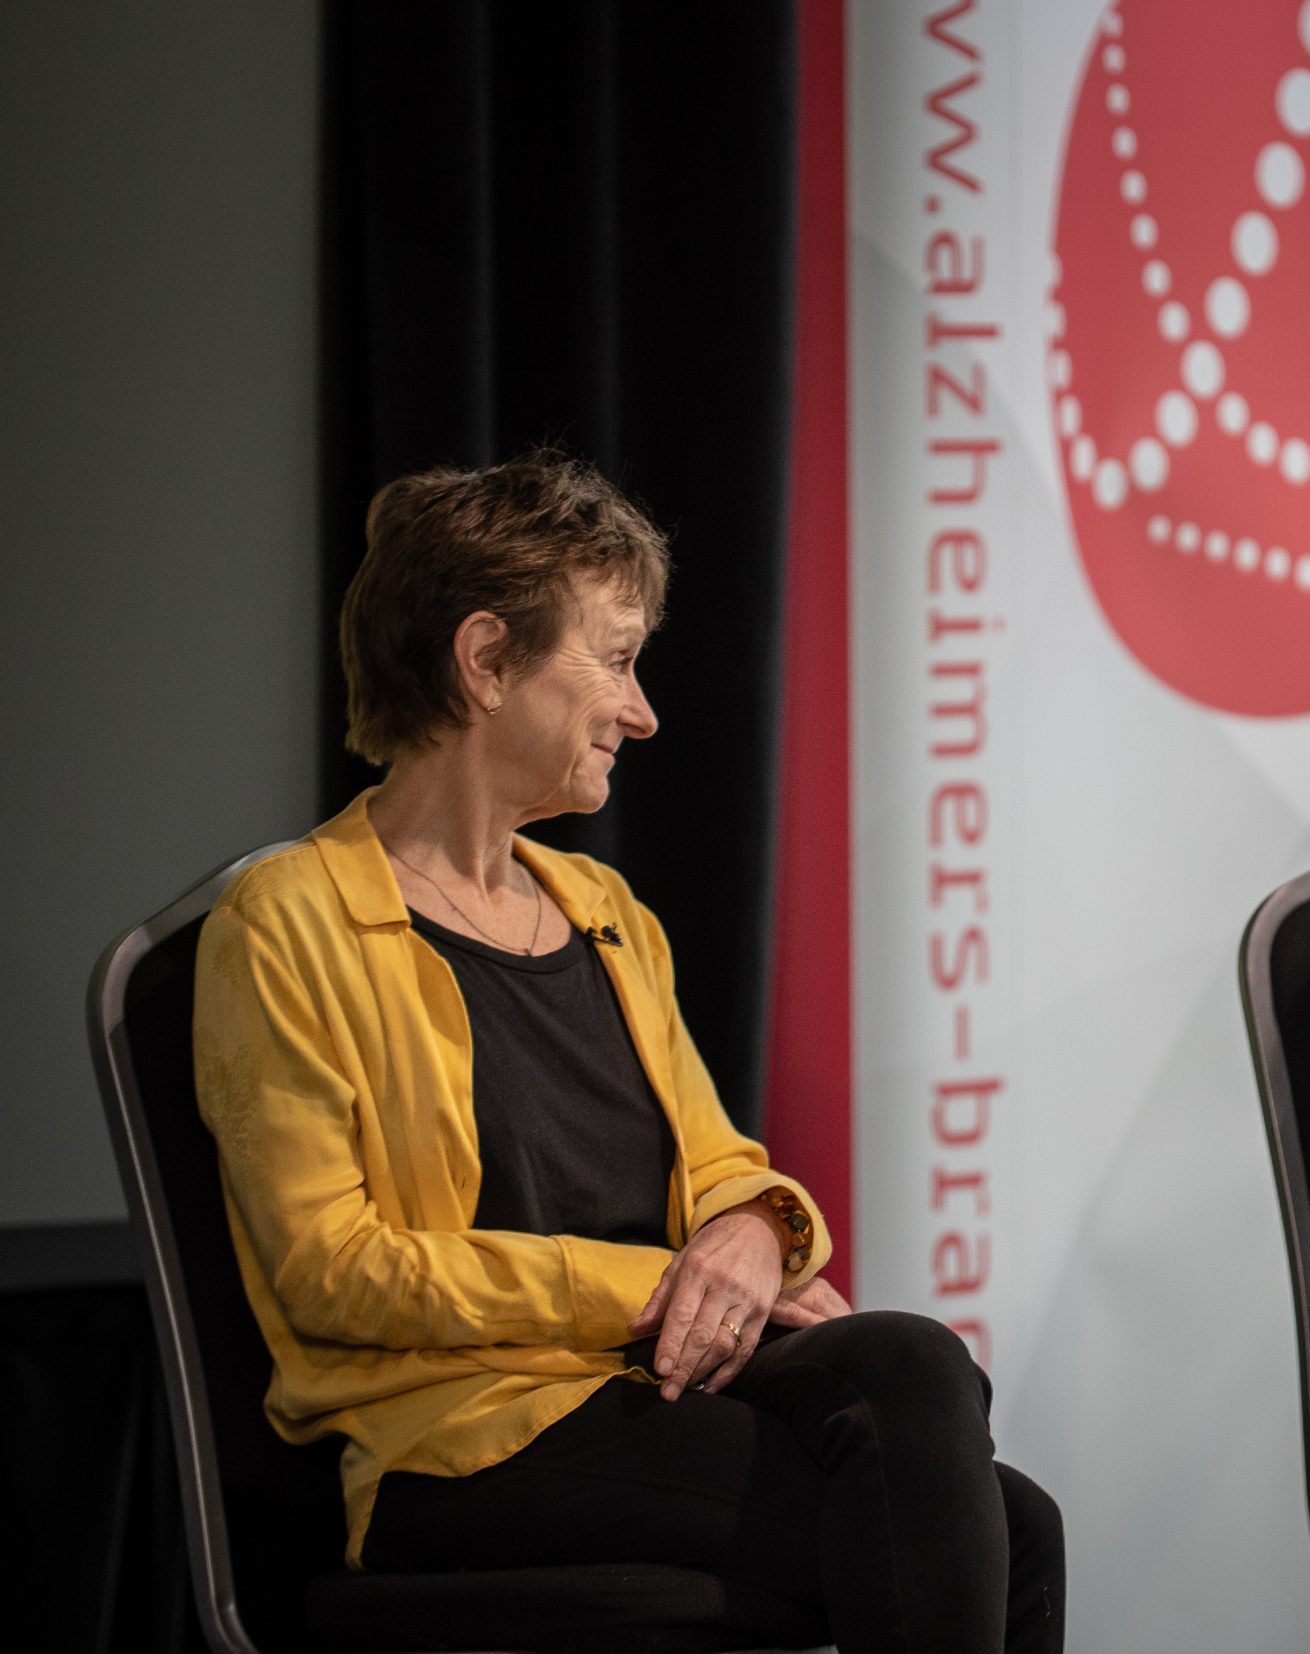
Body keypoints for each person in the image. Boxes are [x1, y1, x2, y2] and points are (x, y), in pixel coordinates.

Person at [194, 452, 1063, 1654]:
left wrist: (756, 1232)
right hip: (459, 1437)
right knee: (989, 1530)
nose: (644, 709)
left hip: (644, 1382)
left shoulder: (604, 907)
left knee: (921, 1374)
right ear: (486, 659)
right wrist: (658, 1287)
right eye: (614, 658)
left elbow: (724, 1165)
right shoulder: (286, 919)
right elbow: (333, 1272)